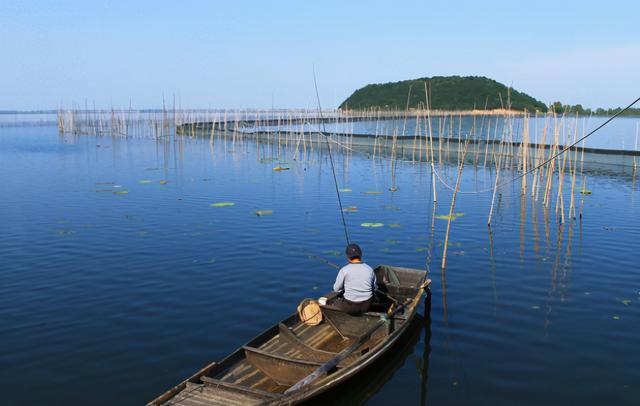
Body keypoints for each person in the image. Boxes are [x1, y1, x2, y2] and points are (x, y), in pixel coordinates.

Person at [332, 243, 377, 315]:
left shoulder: (344, 270)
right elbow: (374, 288)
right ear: (361, 255)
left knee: (335, 302)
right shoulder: (369, 269)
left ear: (347, 256)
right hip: (366, 306)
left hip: (350, 307)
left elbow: (336, 289)